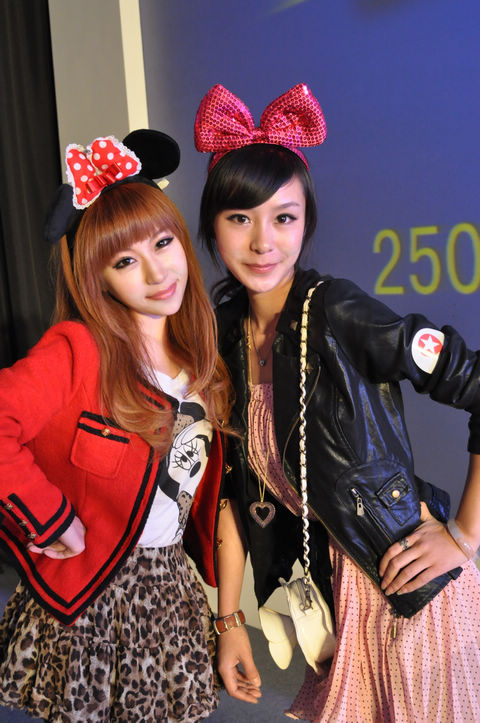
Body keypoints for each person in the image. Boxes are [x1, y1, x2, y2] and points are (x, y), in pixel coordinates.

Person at [193, 83, 480, 721]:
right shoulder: (224, 337)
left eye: (284, 218)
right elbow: (233, 491)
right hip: (333, 609)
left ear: (306, 223)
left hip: (407, 599)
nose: (263, 242)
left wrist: (464, 536)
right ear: (213, 224)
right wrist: (228, 620)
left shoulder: (338, 311)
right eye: (240, 218)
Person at [0, 129, 233, 722]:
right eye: (125, 261)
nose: (157, 272)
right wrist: (48, 516)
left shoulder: (205, 364)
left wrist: (230, 617)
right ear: (97, 278)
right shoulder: (76, 351)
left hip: (171, 589)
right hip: (93, 600)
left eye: (163, 242)